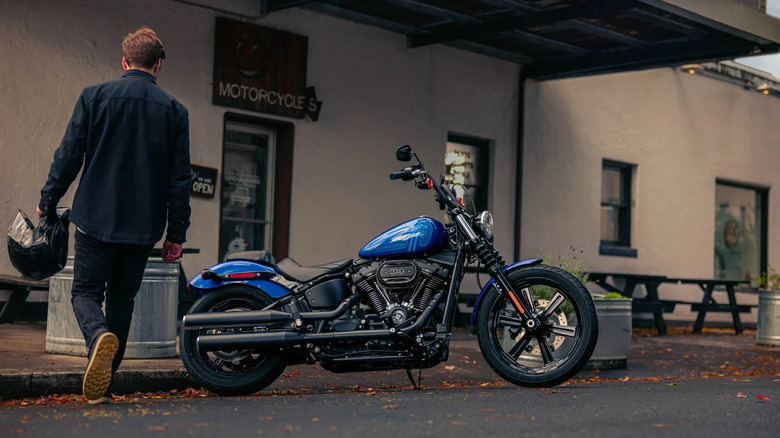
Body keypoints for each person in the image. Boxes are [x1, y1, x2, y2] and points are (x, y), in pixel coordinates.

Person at [36, 26, 191, 404]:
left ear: (124, 62)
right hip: (143, 227)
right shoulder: (175, 111)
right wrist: (177, 233)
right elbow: (180, 180)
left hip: (94, 218)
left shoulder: (94, 97)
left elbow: (68, 155)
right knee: (122, 301)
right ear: (158, 65)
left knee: (85, 292)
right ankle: (103, 379)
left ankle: (96, 337)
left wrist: (48, 198)